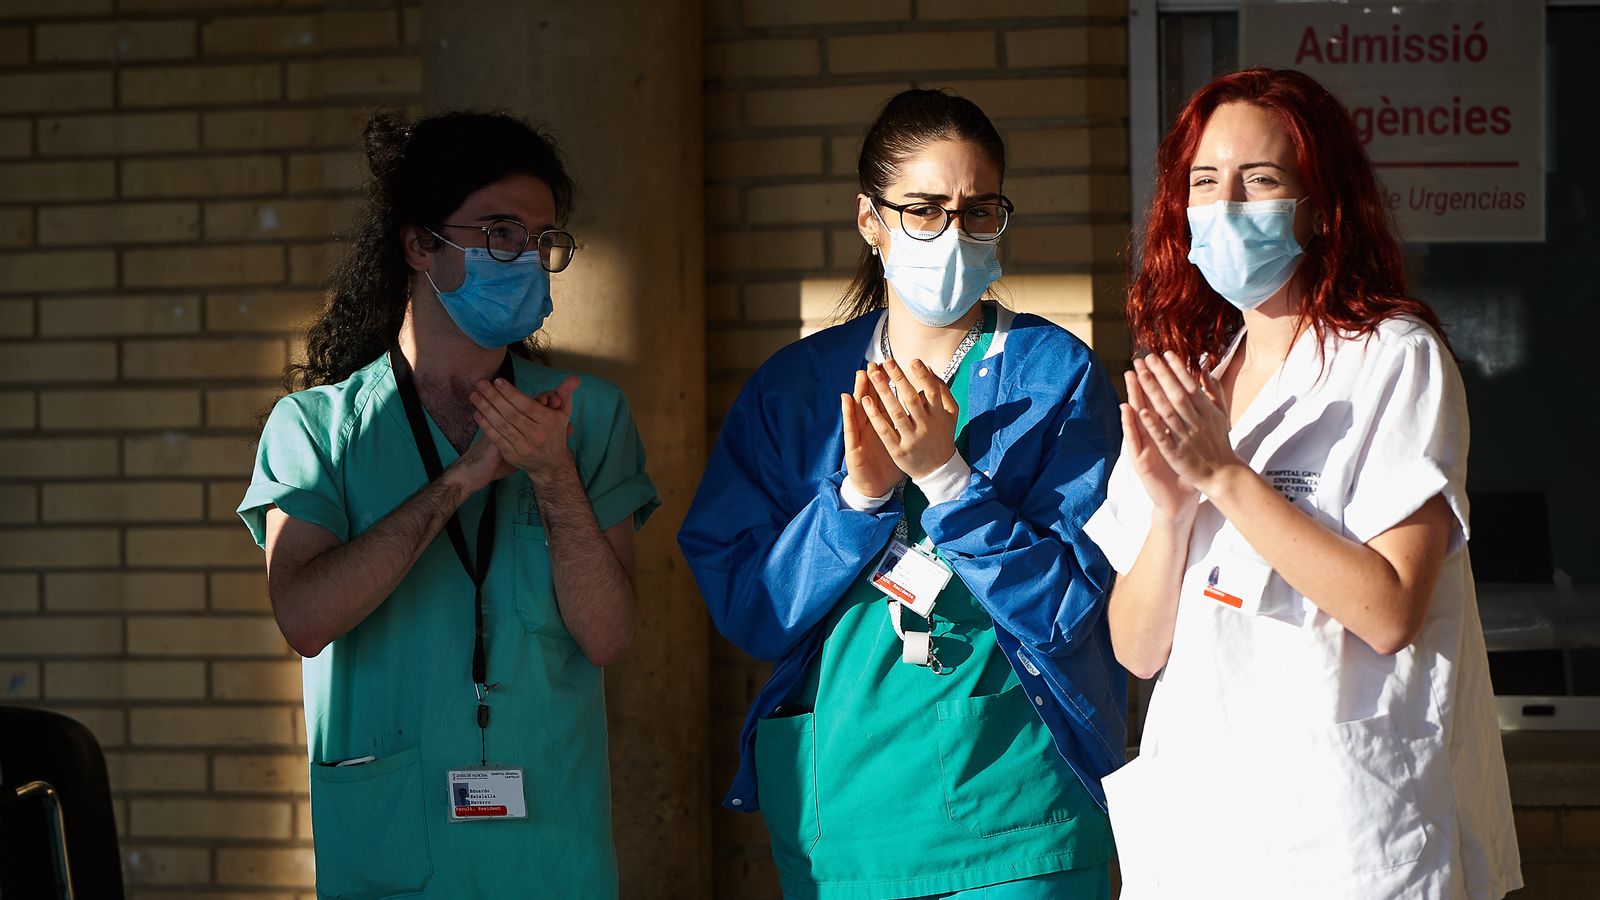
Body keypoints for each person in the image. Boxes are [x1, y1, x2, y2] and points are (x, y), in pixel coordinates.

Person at [679, 89, 1125, 899]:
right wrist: (854, 501)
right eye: (923, 210)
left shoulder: (1053, 376)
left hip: (1016, 812)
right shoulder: (796, 392)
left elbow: (1071, 608)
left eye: (979, 210)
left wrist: (949, 482)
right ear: (869, 220)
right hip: (844, 821)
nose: (953, 234)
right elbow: (752, 612)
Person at [1086, 68, 1520, 898]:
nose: (1226, 205)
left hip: (1347, 836)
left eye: (1261, 180)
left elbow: (1389, 610)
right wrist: (1174, 515)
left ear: (1320, 208)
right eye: (1204, 182)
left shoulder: (1392, 359)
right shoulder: (1197, 378)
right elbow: (1137, 650)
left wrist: (1225, 476)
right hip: (1204, 833)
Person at [238, 110, 658, 898]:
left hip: (551, 843)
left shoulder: (586, 416)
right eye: (499, 232)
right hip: (393, 840)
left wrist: (552, 475)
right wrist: (460, 480)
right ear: (420, 246)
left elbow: (606, 636)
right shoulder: (317, 429)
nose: (525, 258)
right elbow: (305, 617)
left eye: (542, 239)